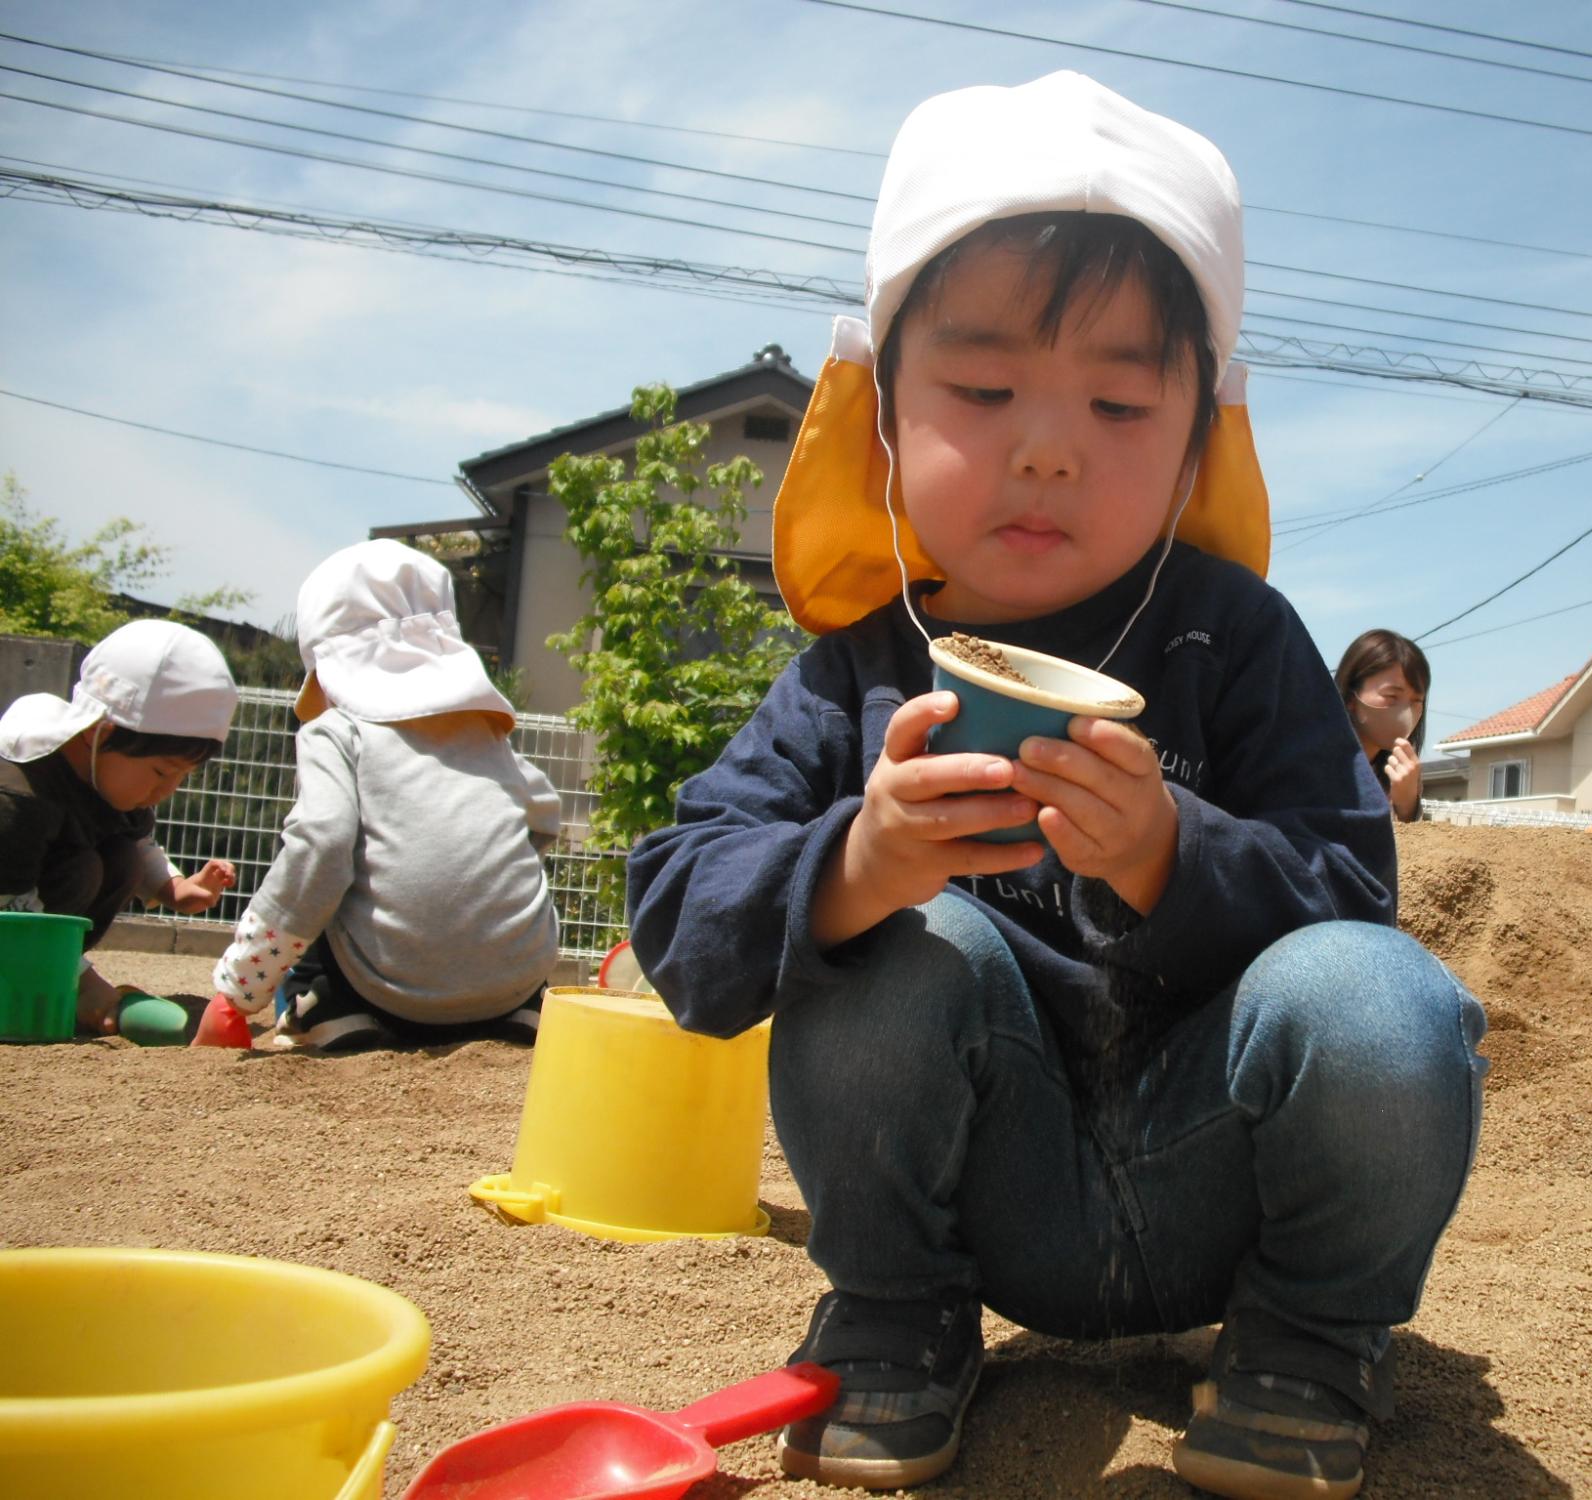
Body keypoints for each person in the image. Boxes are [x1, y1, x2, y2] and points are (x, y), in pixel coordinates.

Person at [624, 74, 1487, 1500]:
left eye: (1118, 399)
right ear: (884, 412)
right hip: (986, 1199)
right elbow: (681, 910)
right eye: (980, 387)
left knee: (1381, 996)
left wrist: (1170, 851)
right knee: (911, 941)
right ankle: (899, 1317)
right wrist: (858, 867)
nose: (1046, 444)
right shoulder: (861, 667)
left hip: (1220, 1178)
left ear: (1199, 440)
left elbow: (1353, 888)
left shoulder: (1239, 640)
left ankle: (1310, 1342)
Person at [191, 539, 561, 1051]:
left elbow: (319, 845)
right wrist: (478, 875)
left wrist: (236, 993)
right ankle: (520, 1009)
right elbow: (545, 815)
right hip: (514, 983)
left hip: (389, 991)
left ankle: (331, 1011)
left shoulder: (338, 732)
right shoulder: (484, 736)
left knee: (317, 855)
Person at [0, 619, 239, 1033]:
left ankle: (51, 981)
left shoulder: (109, 783)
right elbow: (10, 905)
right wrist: (84, 982)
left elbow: (139, 842)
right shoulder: (21, 792)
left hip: (31, 926)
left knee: (120, 859)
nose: (167, 790)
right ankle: (41, 985)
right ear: (97, 733)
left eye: (182, 777)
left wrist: (174, 887)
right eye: (162, 772)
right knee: (84, 869)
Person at [1334, 630, 1430, 824]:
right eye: (1391, 696)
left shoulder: (1403, 776)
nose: (1405, 713)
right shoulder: (1315, 765)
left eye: (1416, 701)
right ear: (1352, 698)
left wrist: (1407, 805)